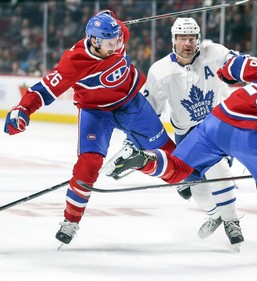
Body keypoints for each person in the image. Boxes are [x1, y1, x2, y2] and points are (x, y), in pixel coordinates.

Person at [106, 54, 257, 263]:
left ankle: (144, 160)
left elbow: (235, 66)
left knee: (180, 170)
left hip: (217, 119)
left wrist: (224, 74)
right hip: (249, 134)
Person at [3, 10, 175, 246]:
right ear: (94, 41)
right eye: (110, 42)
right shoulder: (74, 61)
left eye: (118, 39)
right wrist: (22, 109)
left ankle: (182, 179)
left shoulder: (118, 33)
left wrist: (109, 18)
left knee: (166, 149)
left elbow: (110, 17)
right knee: (89, 164)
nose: (117, 45)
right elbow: (44, 89)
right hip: (97, 112)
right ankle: (71, 220)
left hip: (131, 101)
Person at [138, 17, 243, 245]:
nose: (187, 43)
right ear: (173, 41)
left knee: (218, 169)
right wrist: (136, 140)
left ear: (199, 40)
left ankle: (232, 221)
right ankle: (216, 215)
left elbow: (237, 63)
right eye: (182, 38)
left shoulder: (214, 53)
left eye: (192, 38)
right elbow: (149, 111)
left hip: (216, 126)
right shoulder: (160, 70)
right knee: (194, 186)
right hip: (185, 134)